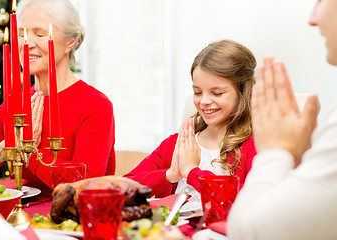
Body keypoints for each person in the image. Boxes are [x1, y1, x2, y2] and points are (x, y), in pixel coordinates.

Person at [0, 0, 115, 194]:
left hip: (71, 222)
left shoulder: (95, 105)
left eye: (40, 34)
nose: (27, 43)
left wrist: (30, 152)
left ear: (70, 42)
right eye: (21, 34)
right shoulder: (14, 105)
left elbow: (85, 184)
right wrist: (3, 149)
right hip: (18, 220)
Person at [227, 1, 337, 239]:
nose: (313, 17)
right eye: (196, 92)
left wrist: (274, 151)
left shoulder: (249, 145)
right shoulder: (182, 139)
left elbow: (253, 231)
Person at [125, 39, 257, 212]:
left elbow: (251, 203)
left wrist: (192, 172)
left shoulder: (254, 146)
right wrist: (170, 175)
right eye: (197, 92)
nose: (204, 101)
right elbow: (123, 188)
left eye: (217, 93)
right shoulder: (179, 144)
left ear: (242, 93)